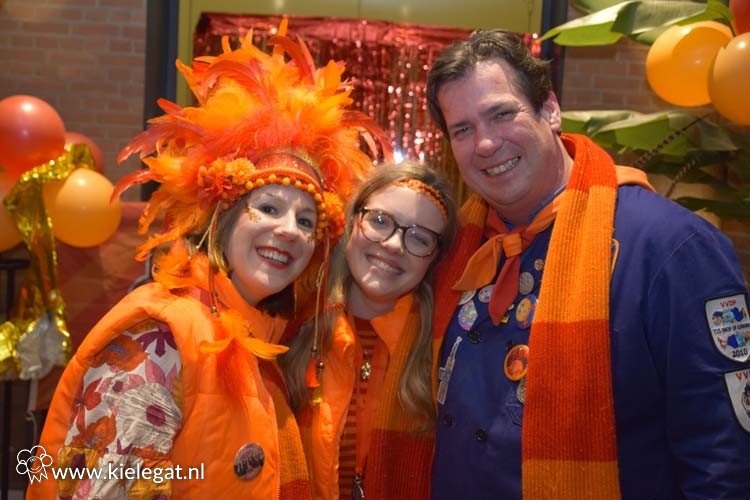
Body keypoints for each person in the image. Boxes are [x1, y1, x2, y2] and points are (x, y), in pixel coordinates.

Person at [25, 20, 391, 499]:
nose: (289, 230)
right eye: (269, 208)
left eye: (306, 220)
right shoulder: (160, 336)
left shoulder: (270, 342)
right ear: (224, 220)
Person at [425, 29, 750, 500]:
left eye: (502, 114)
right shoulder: (457, 245)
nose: (486, 143)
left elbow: (723, 461)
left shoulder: (671, 247)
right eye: (463, 130)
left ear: (550, 110)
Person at [280, 161, 458, 499]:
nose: (393, 245)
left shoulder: (442, 354)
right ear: (352, 222)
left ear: (434, 259)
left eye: (419, 238)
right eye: (379, 221)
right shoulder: (292, 325)